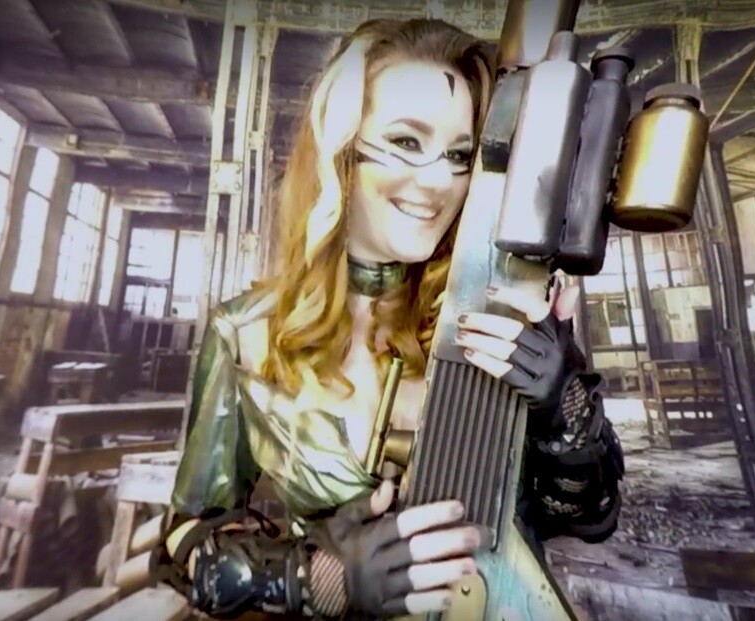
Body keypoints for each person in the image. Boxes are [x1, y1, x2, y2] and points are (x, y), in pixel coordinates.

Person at [150, 17, 624, 620]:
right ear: (340, 149)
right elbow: (183, 541)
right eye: (406, 142)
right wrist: (320, 577)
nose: (438, 181)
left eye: (459, 154)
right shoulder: (245, 335)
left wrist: (564, 403)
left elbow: (588, 518)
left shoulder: (500, 313)